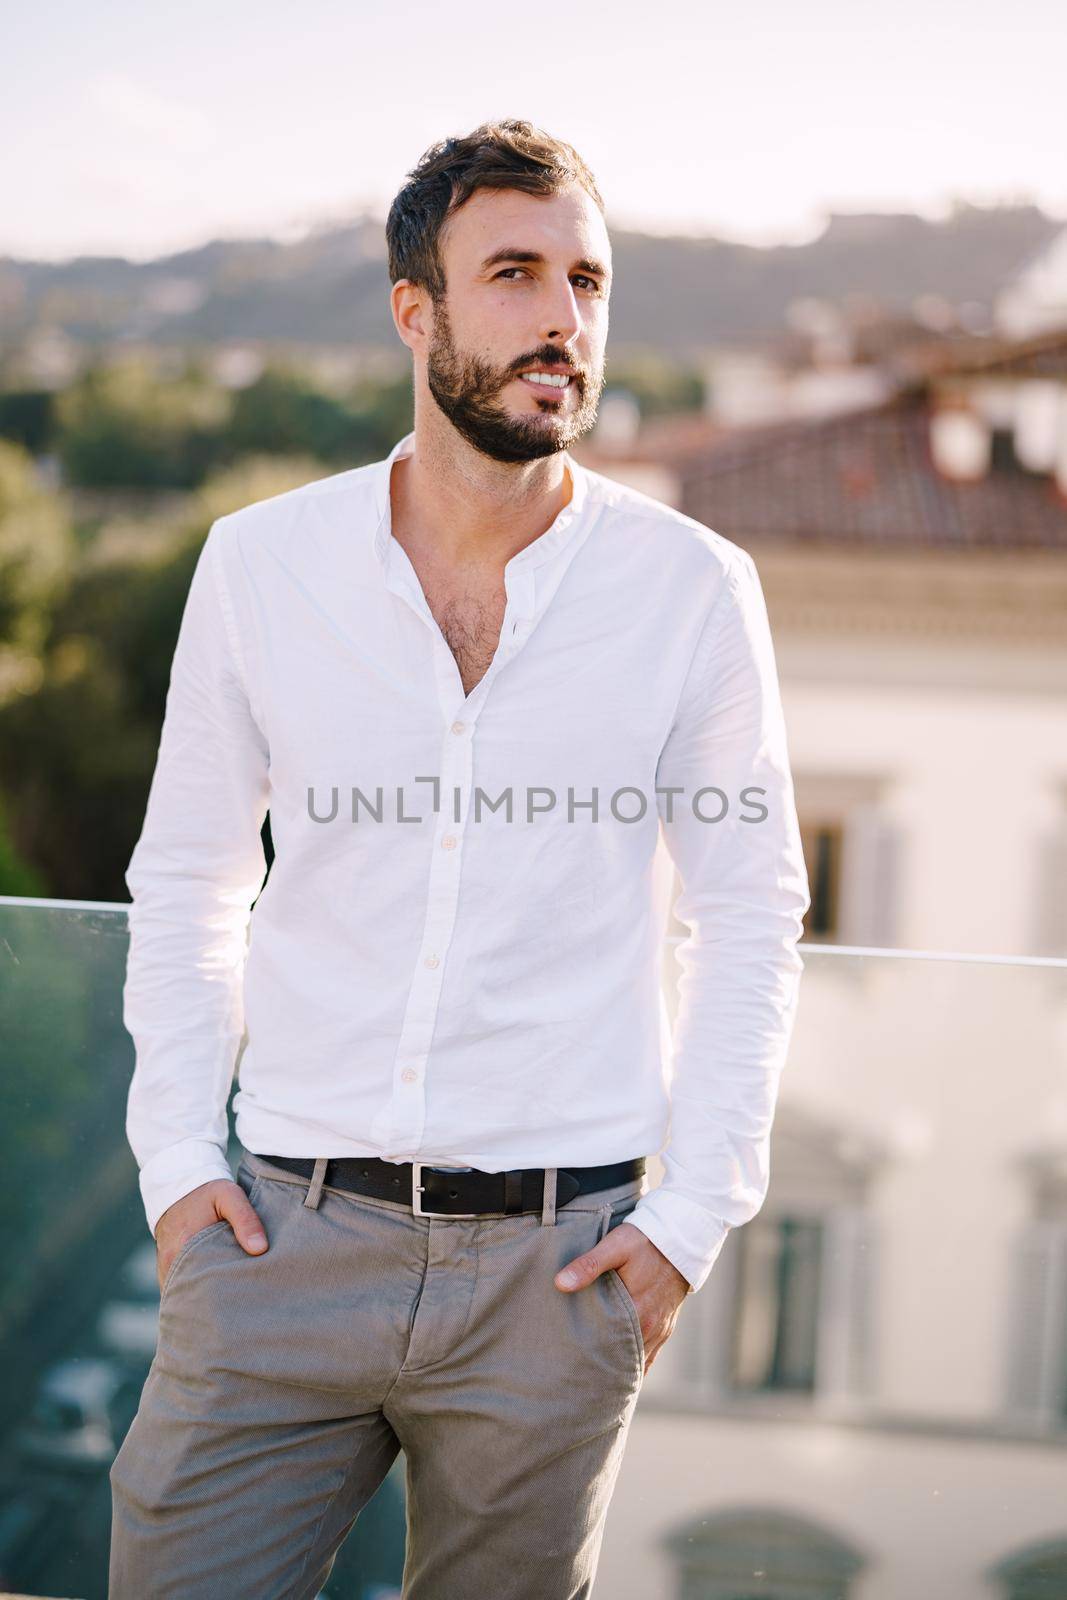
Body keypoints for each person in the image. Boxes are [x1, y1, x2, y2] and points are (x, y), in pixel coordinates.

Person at [109, 118, 811, 1599]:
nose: (564, 318)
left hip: (559, 1283)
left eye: (588, 280)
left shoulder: (692, 592)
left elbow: (752, 915)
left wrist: (691, 1222)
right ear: (413, 310)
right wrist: (177, 1165)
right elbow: (187, 879)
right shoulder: (261, 564)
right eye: (514, 273)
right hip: (278, 1239)